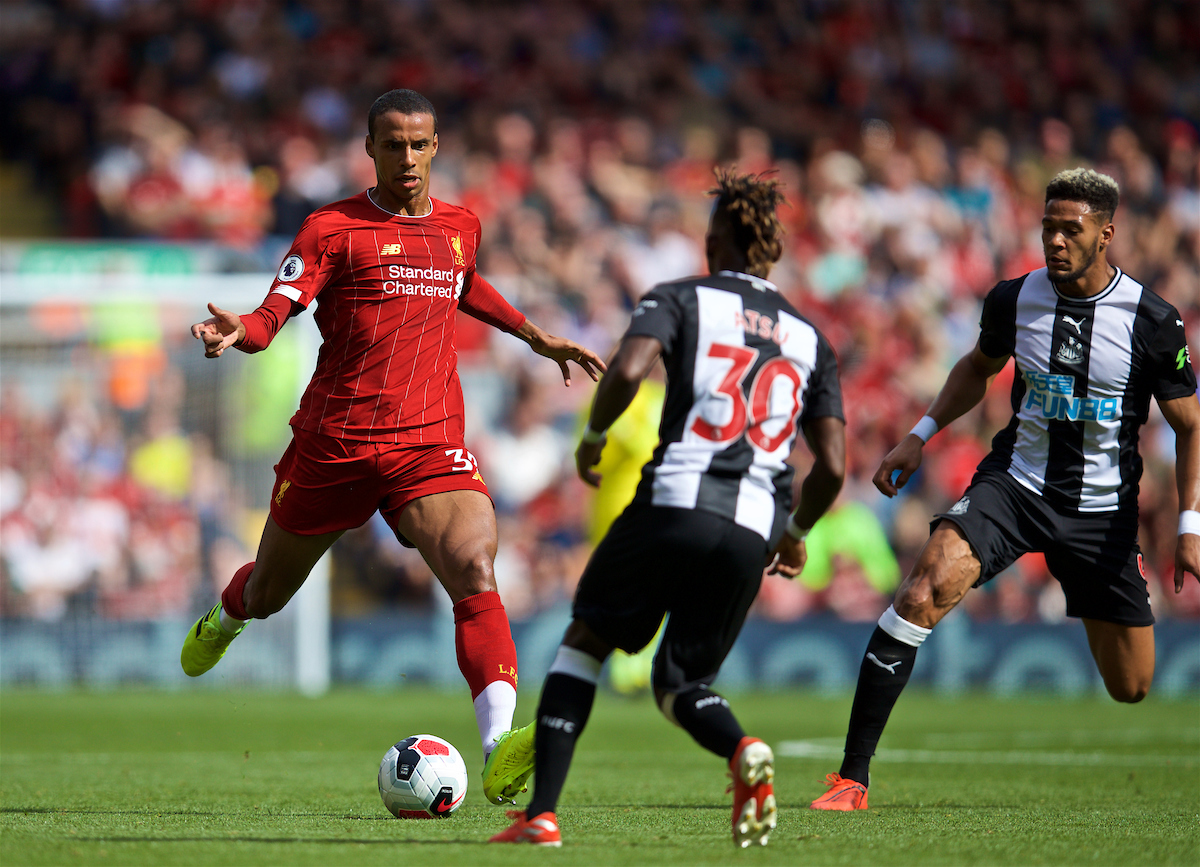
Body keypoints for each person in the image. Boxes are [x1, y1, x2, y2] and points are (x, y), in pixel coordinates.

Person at [179, 89, 606, 805]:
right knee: (270, 592)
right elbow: (275, 309)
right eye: (393, 144)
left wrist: (535, 335)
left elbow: (464, 282)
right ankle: (227, 615)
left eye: (420, 144)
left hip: (429, 441)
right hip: (337, 442)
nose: (407, 158)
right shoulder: (331, 228)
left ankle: (501, 747)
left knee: (475, 562)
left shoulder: (460, 225)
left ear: (436, 147)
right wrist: (240, 333)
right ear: (370, 149)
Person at [811, 168, 1200, 812]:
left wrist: (1189, 526)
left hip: (1102, 514)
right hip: (1014, 488)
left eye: (1069, 230)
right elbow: (978, 368)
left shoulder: (1153, 320)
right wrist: (920, 433)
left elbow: (1189, 426)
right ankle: (852, 778)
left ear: (1106, 234)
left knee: (1131, 686)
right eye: (1047, 227)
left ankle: (1089, 590)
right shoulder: (1013, 298)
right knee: (922, 587)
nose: (1054, 241)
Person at [489, 169, 847, 848]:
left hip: (674, 501)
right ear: (770, 249)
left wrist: (592, 439)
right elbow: (832, 466)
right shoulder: (811, 338)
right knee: (681, 681)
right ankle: (742, 748)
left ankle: (542, 814)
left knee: (586, 641)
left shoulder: (681, 297)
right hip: (753, 525)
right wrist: (795, 532)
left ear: (714, 240)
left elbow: (626, 371)